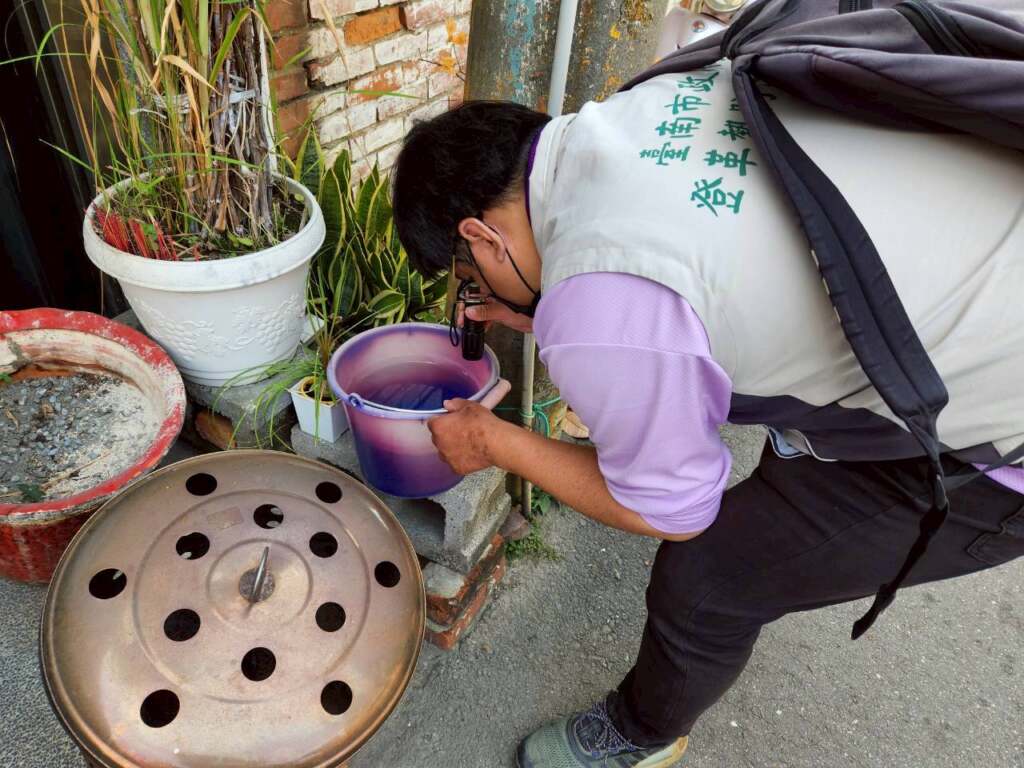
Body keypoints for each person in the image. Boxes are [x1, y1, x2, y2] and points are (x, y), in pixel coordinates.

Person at [390, 58, 1024, 768]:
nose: (483, 305)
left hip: (998, 439)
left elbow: (672, 509)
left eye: (470, 283)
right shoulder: (639, 106)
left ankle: (643, 733)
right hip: (980, 274)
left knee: (710, 579)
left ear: (481, 236)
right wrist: (578, 318)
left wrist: (492, 440)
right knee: (788, 465)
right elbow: (683, 275)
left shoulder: (595, 306)